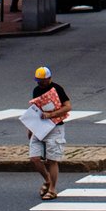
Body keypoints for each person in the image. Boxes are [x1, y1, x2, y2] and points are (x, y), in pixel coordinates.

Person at [25, 65, 71, 199]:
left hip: (55, 127)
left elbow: (68, 107)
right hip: (39, 127)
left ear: (49, 78)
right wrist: (30, 128)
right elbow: (35, 109)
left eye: (43, 80)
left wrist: (52, 114)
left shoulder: (57, 89)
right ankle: (47, 180)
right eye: (38, 80)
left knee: (52, 160)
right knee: (34, 158)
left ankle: (52, 189)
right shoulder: (36, 90)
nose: (40, 83)